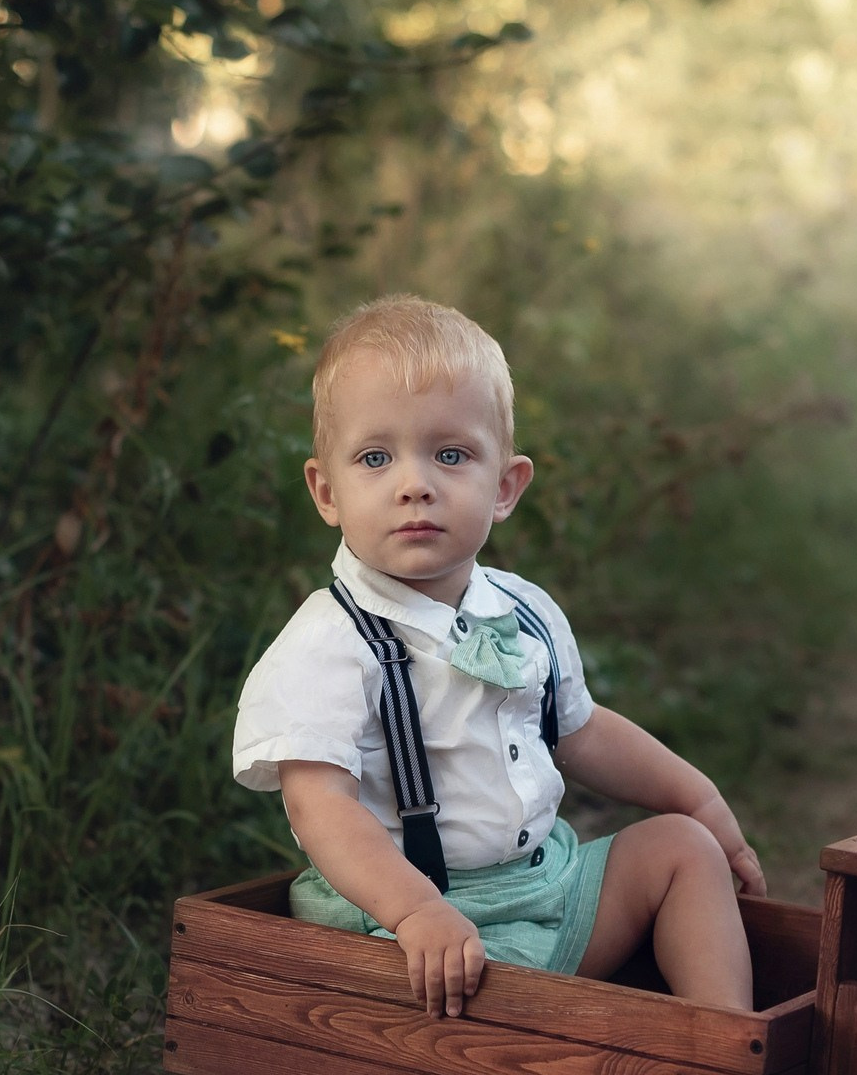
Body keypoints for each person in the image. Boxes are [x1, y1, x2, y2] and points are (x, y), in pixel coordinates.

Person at [232, 294, 766, 1018]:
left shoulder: (524, 608)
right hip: (410, 923)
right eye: (375, 457)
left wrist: (698, 799)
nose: (414, 484)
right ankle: (572, 1046)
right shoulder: (329, 643)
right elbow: (318, 804)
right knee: (473, 998)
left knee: (684, 849)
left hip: (545, 886)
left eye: (451, 455)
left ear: (506, 486)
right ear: (327, 491)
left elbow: (582, 731)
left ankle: (726, 1048)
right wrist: (417, 910)